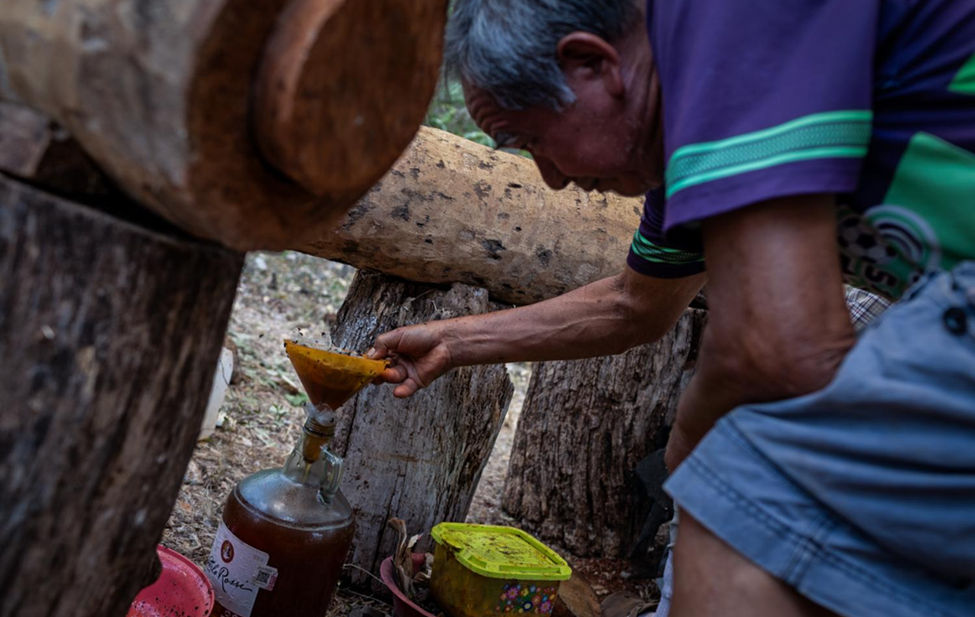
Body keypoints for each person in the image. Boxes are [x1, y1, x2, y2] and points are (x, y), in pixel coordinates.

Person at [367, 1, 975, 616]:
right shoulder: (687, 149)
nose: (549, 178)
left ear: (591, 64)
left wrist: (689, 445)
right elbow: (636, 306)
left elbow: (776, 351)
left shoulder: (723, 26)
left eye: (533, 140)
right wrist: (455, 342)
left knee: (733, 488)